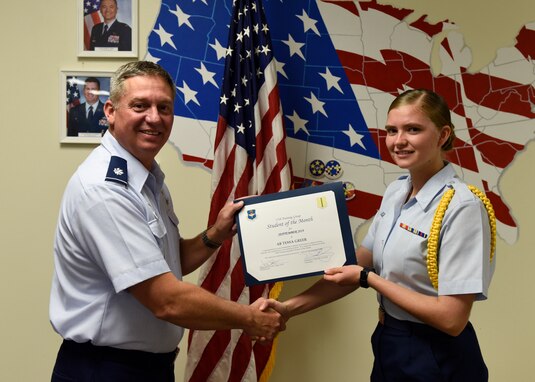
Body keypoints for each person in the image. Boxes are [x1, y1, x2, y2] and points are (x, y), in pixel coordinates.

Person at [50, 61, 285, 382]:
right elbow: (165, 299)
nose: (154, 117)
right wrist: (248, 318)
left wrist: (215, 234)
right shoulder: (106, 190)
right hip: (105, 369)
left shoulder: (147, 177)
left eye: (164, 107)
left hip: (145, 368)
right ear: (110, 111)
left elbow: (168, 262)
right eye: (140, 106)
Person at [268, 89, 496, 381]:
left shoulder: (462, 206)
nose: (398, 141)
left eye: (413, 129)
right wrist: (286, 309)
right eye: (392, 130)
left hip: (437, 353)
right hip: (391, 341)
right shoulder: (396, 192)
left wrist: (368, 279)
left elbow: (451, 319)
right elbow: (356, 266)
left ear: (442, 135)